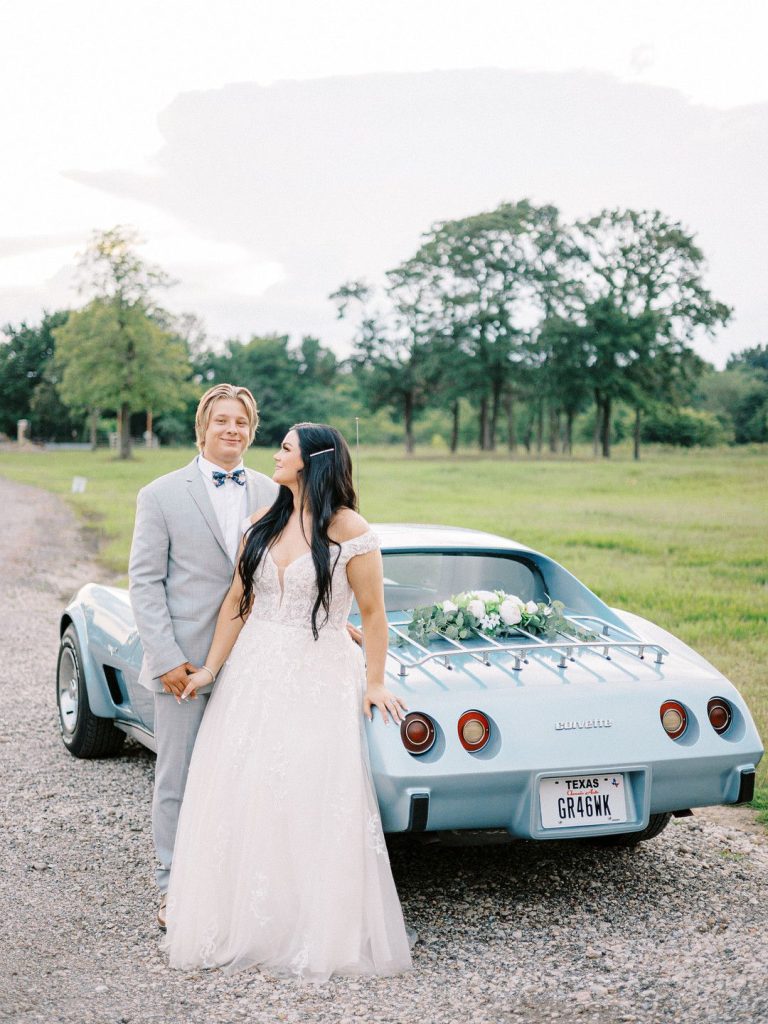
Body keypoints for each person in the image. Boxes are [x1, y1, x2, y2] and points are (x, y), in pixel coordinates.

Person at [161, 422, 413, 982]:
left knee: (308, 790)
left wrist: (375, 682)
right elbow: (237, 600)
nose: (273, 456)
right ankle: (246, 918)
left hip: (318, 672)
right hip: (254, 670)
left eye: (285, 449)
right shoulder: (264, 518)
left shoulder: (351, 530)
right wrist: (210, 668)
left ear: (313, 462)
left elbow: (373, 614)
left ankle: (308, 924)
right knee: (245, 785)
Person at [128, 384, 278, 931]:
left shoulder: (272, 490)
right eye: (222, 421)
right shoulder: (161, 494)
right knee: (178, 777)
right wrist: (166, 657)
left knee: (245, 774)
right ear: (202, 428)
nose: (232, 430)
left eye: (241, 422)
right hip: (184, 666)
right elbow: (145, 583)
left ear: (252, 429)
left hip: (255, 659)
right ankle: (173, 886)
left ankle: (232, 884)